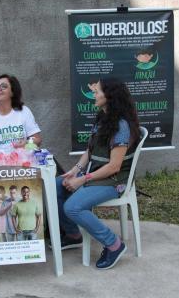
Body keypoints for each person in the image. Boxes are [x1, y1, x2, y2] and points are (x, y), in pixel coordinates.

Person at [56, 78, 140, 269]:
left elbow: (114, 167)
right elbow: (89, 151)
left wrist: (82, 180)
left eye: (98, 91)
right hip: (96, 175)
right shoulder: (103, 117)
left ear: (110, 96)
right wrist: (73, 172)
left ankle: (113, 244)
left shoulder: (121, 126)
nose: (94, 93)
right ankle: (73, 234)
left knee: (73, 207)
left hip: (113, 181)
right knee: (56, 185)